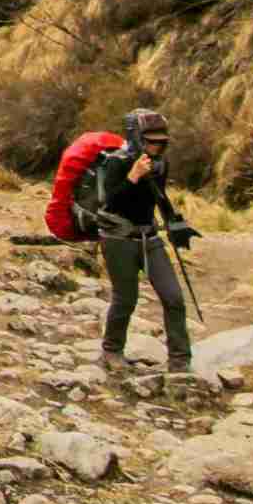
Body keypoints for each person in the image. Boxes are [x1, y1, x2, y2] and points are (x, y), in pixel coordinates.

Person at [95, 109, 199, 374]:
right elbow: (110, 201)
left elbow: (156, 197)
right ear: (137, 138)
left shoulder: (160, 164)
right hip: (118, 239)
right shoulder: (115, 162)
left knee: (173, 297)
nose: (158, 145)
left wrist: (175, 225)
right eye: (152, 140)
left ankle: (180, 360)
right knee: (125, 299)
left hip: (148, 236)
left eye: (162, 141)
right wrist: (133, 176)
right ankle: (112, 351)